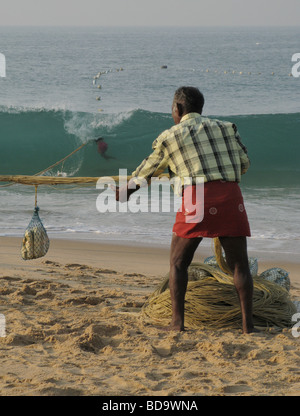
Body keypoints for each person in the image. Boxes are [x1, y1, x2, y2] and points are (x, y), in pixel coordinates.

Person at [114, 86, 255, 334]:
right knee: (239, 266)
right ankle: (248, 327)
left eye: (173, 109)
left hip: (196, 197)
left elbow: (146, 170)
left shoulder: (170, 137)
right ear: (200, 108)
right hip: (230, 195)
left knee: (178, 263)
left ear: (177, 109)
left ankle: (177, 324)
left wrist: (125, 191)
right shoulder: (227, 128)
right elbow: (244, 164)